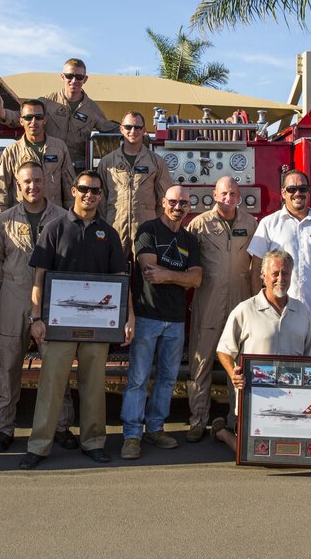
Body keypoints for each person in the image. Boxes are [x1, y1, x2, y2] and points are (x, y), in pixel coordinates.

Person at [19, 170, 133, 470]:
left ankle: (93, 441)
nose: (89, 195)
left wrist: (127, 317)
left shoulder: (108, 234)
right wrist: (36, 317)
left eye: (95, 191)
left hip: (98, 326)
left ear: (101, 195)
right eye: (84, 189)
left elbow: (120, 279)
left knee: (94, 386)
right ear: (73, 190)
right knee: (51, 385)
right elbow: (39, 277)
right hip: (57, 324)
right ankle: (39, 445)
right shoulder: (55, 228)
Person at [212, 249, 311, 478]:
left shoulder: (302, 310)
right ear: (263, 276)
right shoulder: (245, 310)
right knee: (260, 459)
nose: (281, 279)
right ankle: (223, 432)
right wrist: (233, 373)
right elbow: (224, 350)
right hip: (257, 399)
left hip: (295, 395)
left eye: (286, 274)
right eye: (275, 273)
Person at [0, 161, 75, 453]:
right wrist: (13, 285)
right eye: (26, 182)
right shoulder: (5, 220)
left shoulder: (63, 218)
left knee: (56, 368)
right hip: (15, 299)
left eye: (37, 180)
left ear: (45, 182)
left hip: (53, 302)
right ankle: (4, 428)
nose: (32, 186)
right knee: (9, 366)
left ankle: (60, 426)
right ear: (17, 185)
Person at [120, 186, 203, 460]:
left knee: (167, 379)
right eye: (173, 202)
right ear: (162, 203)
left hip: (176, 320)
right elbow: (148, 271)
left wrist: (167, 274)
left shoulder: (190, 240)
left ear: (188, 207)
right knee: (138, 379)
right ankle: (132, 435)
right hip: (147, 316)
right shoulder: (148, 230)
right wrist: (181, 275)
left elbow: (197, 279)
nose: (178, 207)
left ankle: (156, 428)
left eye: (183, 203)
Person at [184, 176, 257, 442]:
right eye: (224, 193)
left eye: (234, 194)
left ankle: (236, 420)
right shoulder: (199, 224)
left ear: (239, 196)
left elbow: (256, 265)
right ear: (214, 194)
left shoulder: (250, 224)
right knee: (200, 364)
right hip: (209, 303)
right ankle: (197, 421)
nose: (229, 198)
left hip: (240, 304)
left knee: (238, 366)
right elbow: (186, 261)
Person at [248, 170, 311, 329]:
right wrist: (258, 306)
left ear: (309, 191)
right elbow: (256, 267)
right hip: (276, 314)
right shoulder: (269, 224)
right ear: (283, 193)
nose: (297, 193)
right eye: (292, 189)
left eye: (302, 189)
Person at [3, 58, 117, 170]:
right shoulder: (47, 102)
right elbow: (21, 116)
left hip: (77, 171)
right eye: (69, 76)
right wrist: (2, 113)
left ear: (85, 79)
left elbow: (110, 129)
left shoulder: (92, 109)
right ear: (62, 77)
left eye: (79, 77)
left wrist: (131, 127)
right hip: (49, 168)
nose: (74, 80)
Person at [98, 110, 173, 257]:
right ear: (121, 129)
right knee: (115, 274)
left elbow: (165, 200)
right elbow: (100, 198)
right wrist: (106, 224)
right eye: (128, 127)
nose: (133, 131)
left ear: (144, 130)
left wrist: (153, 223)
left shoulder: (156, 162)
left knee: (145, 275)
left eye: (138, 127)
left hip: (146, 231)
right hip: (114, 229)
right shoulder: (107, 162)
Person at [0, 99, 75, 216]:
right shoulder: (11, 151)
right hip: (21, 217)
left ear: (45, 119)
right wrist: (0, 218)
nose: (33, 121)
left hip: (54, 216)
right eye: (28, 117)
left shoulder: (59, 147)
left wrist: (72, 217)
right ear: (21, 120)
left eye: (38, 117)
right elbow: (2, 189)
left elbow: (69, 186)